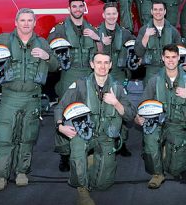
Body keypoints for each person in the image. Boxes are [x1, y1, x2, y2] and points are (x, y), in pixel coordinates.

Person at [0, 8, 56, 191]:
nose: (26, 24)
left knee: (27, 138)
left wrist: (47, 56)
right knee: (4, 137)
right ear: (16, 23)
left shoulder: (42, 43)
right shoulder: (3, 40)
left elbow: (56, 65)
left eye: (30, 20)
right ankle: (1, 176)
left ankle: (21, 172)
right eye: (23, 20)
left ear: (35, 23)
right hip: (9, 97)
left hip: (32, 97)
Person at [56, 53, 136, 205]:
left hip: (106, 137)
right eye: (99, 62)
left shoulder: (117, 88)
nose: (102, 66)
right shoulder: (80, 84)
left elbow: (131, 114)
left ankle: (91, 161)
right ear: (92, 64)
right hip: (84, 134)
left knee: (103, 185)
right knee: (78, 149)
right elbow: (60, 106)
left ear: (111, 65)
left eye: (106, 63)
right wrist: (60, 126)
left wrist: (116, 103)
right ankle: (82, 190)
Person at [49, 0, 103, 172]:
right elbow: (50, 53)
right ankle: (64, 155)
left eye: (81, 6)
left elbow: (100, 53)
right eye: (74, 6)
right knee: (66, 113)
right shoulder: (60, 29)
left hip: (89, 74)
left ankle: (88, 148)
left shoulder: (91, 28)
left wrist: (97, 39)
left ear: (84, 8)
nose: (78, 9)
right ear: (69, 9)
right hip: (69, 74)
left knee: (90, 111)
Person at [137, 44, 186, 188]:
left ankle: (170, 153)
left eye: (173, 57)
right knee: (150, 138)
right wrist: (138, 118)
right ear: (162, 58)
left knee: (176, 169)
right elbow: (141, 106)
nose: (170, 60)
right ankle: (158, 173)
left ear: (178, 58)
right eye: (167, 57)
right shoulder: (154, 80)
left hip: (179, 125)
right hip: (158, 123)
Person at [97, 1, 137, 157]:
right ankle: (100, 139)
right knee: (100, 107)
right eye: (108, 14)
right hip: (101, 75)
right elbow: (90, 56)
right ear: (103, 15)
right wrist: (101, 43)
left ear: (117, 15)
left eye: (114, 13)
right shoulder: (96, 33)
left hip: (119, 74)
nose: (111, 16)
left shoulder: (125, 33)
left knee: (121, 106)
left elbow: (137, 49)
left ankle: (122, 142)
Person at [135, 1, 182, 81]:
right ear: (151, 11)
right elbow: (138, 52)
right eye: (155, 9)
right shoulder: (144, 30)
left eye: (160, 9)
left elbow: (180, 51)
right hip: (151, 69)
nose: (158, 12)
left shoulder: (173, 31)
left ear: (165, 11)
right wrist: (146, 36)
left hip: (169, 69)